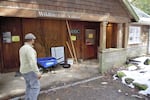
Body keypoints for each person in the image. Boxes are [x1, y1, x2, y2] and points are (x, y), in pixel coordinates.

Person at [19, 33, 41, 100]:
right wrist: (37, 72)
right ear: (31, 40)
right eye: (33, 39)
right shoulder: (29, 49)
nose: (34, 41)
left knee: (29, 86)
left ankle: (27, 98)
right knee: (35, 87)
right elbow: (32, 62)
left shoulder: (22, 48)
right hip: (30, 71)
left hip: (23, 70)